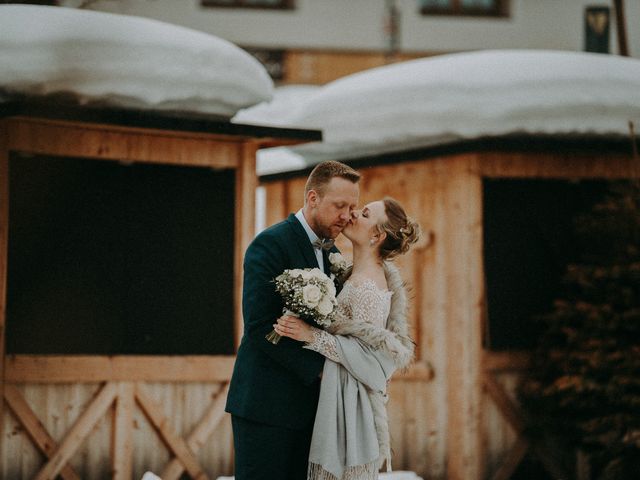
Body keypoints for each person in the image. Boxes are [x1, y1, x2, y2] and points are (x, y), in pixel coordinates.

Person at [225, 160, 361, 480]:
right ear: (312, 198)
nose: (347, 215)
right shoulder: (270, 244)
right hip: (266, 406)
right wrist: (320, 372)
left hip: (311, 410)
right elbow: (259, 326)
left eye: (353, 207)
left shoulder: (331, 253)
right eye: (340, 205)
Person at [274, 197, 420, 480]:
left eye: (364, 214)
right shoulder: (358, 275)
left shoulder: (368, 286)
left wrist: (311, 336)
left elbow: (364, 357)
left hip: (350, 409)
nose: (353, 214)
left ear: (376, 236)